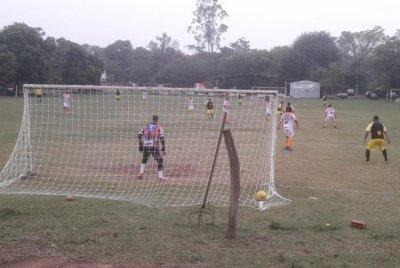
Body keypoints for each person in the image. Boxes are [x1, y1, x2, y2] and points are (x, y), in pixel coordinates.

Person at [137, 115, 166, 180]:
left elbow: (139, 135)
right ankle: (160, 176)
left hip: (146, 145)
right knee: (160, 159)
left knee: (145, 159)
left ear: (152, 119)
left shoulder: (146, 126)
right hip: (153, 146)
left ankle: (141, 173)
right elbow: (162, 139)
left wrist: (140, 145)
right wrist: (163, 149)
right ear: (157, 120)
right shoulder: (159, 127)